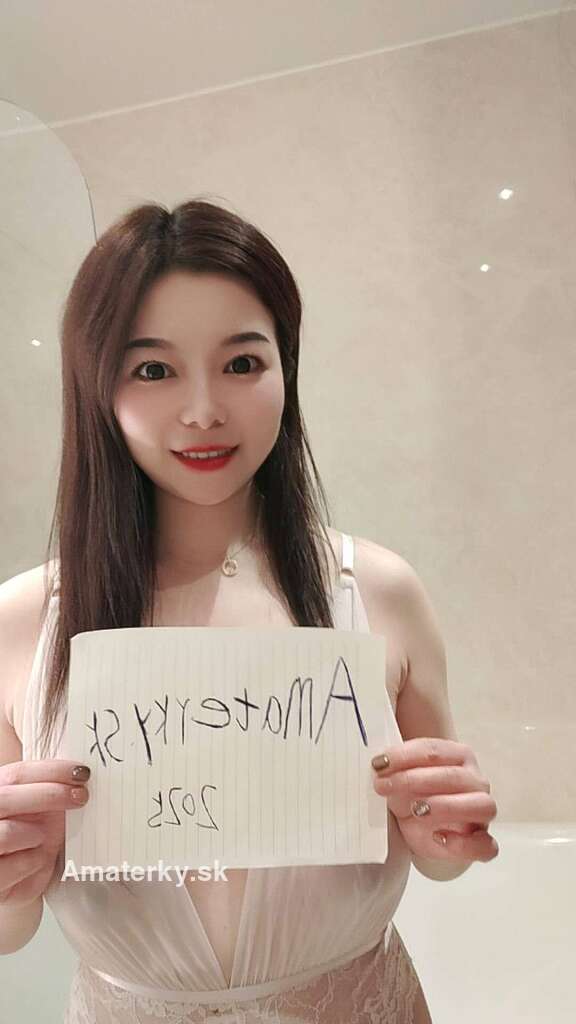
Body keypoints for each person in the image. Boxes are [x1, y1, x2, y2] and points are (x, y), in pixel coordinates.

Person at [0, 198, 498, 1023]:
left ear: (285, 369)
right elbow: (7, 934)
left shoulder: (378, 590)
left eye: (241, 362)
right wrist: (11, 877)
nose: (203, 410)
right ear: (97, 386)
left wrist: (445, 828)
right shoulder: (21, 620)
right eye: (152, 370)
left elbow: (442, 859)